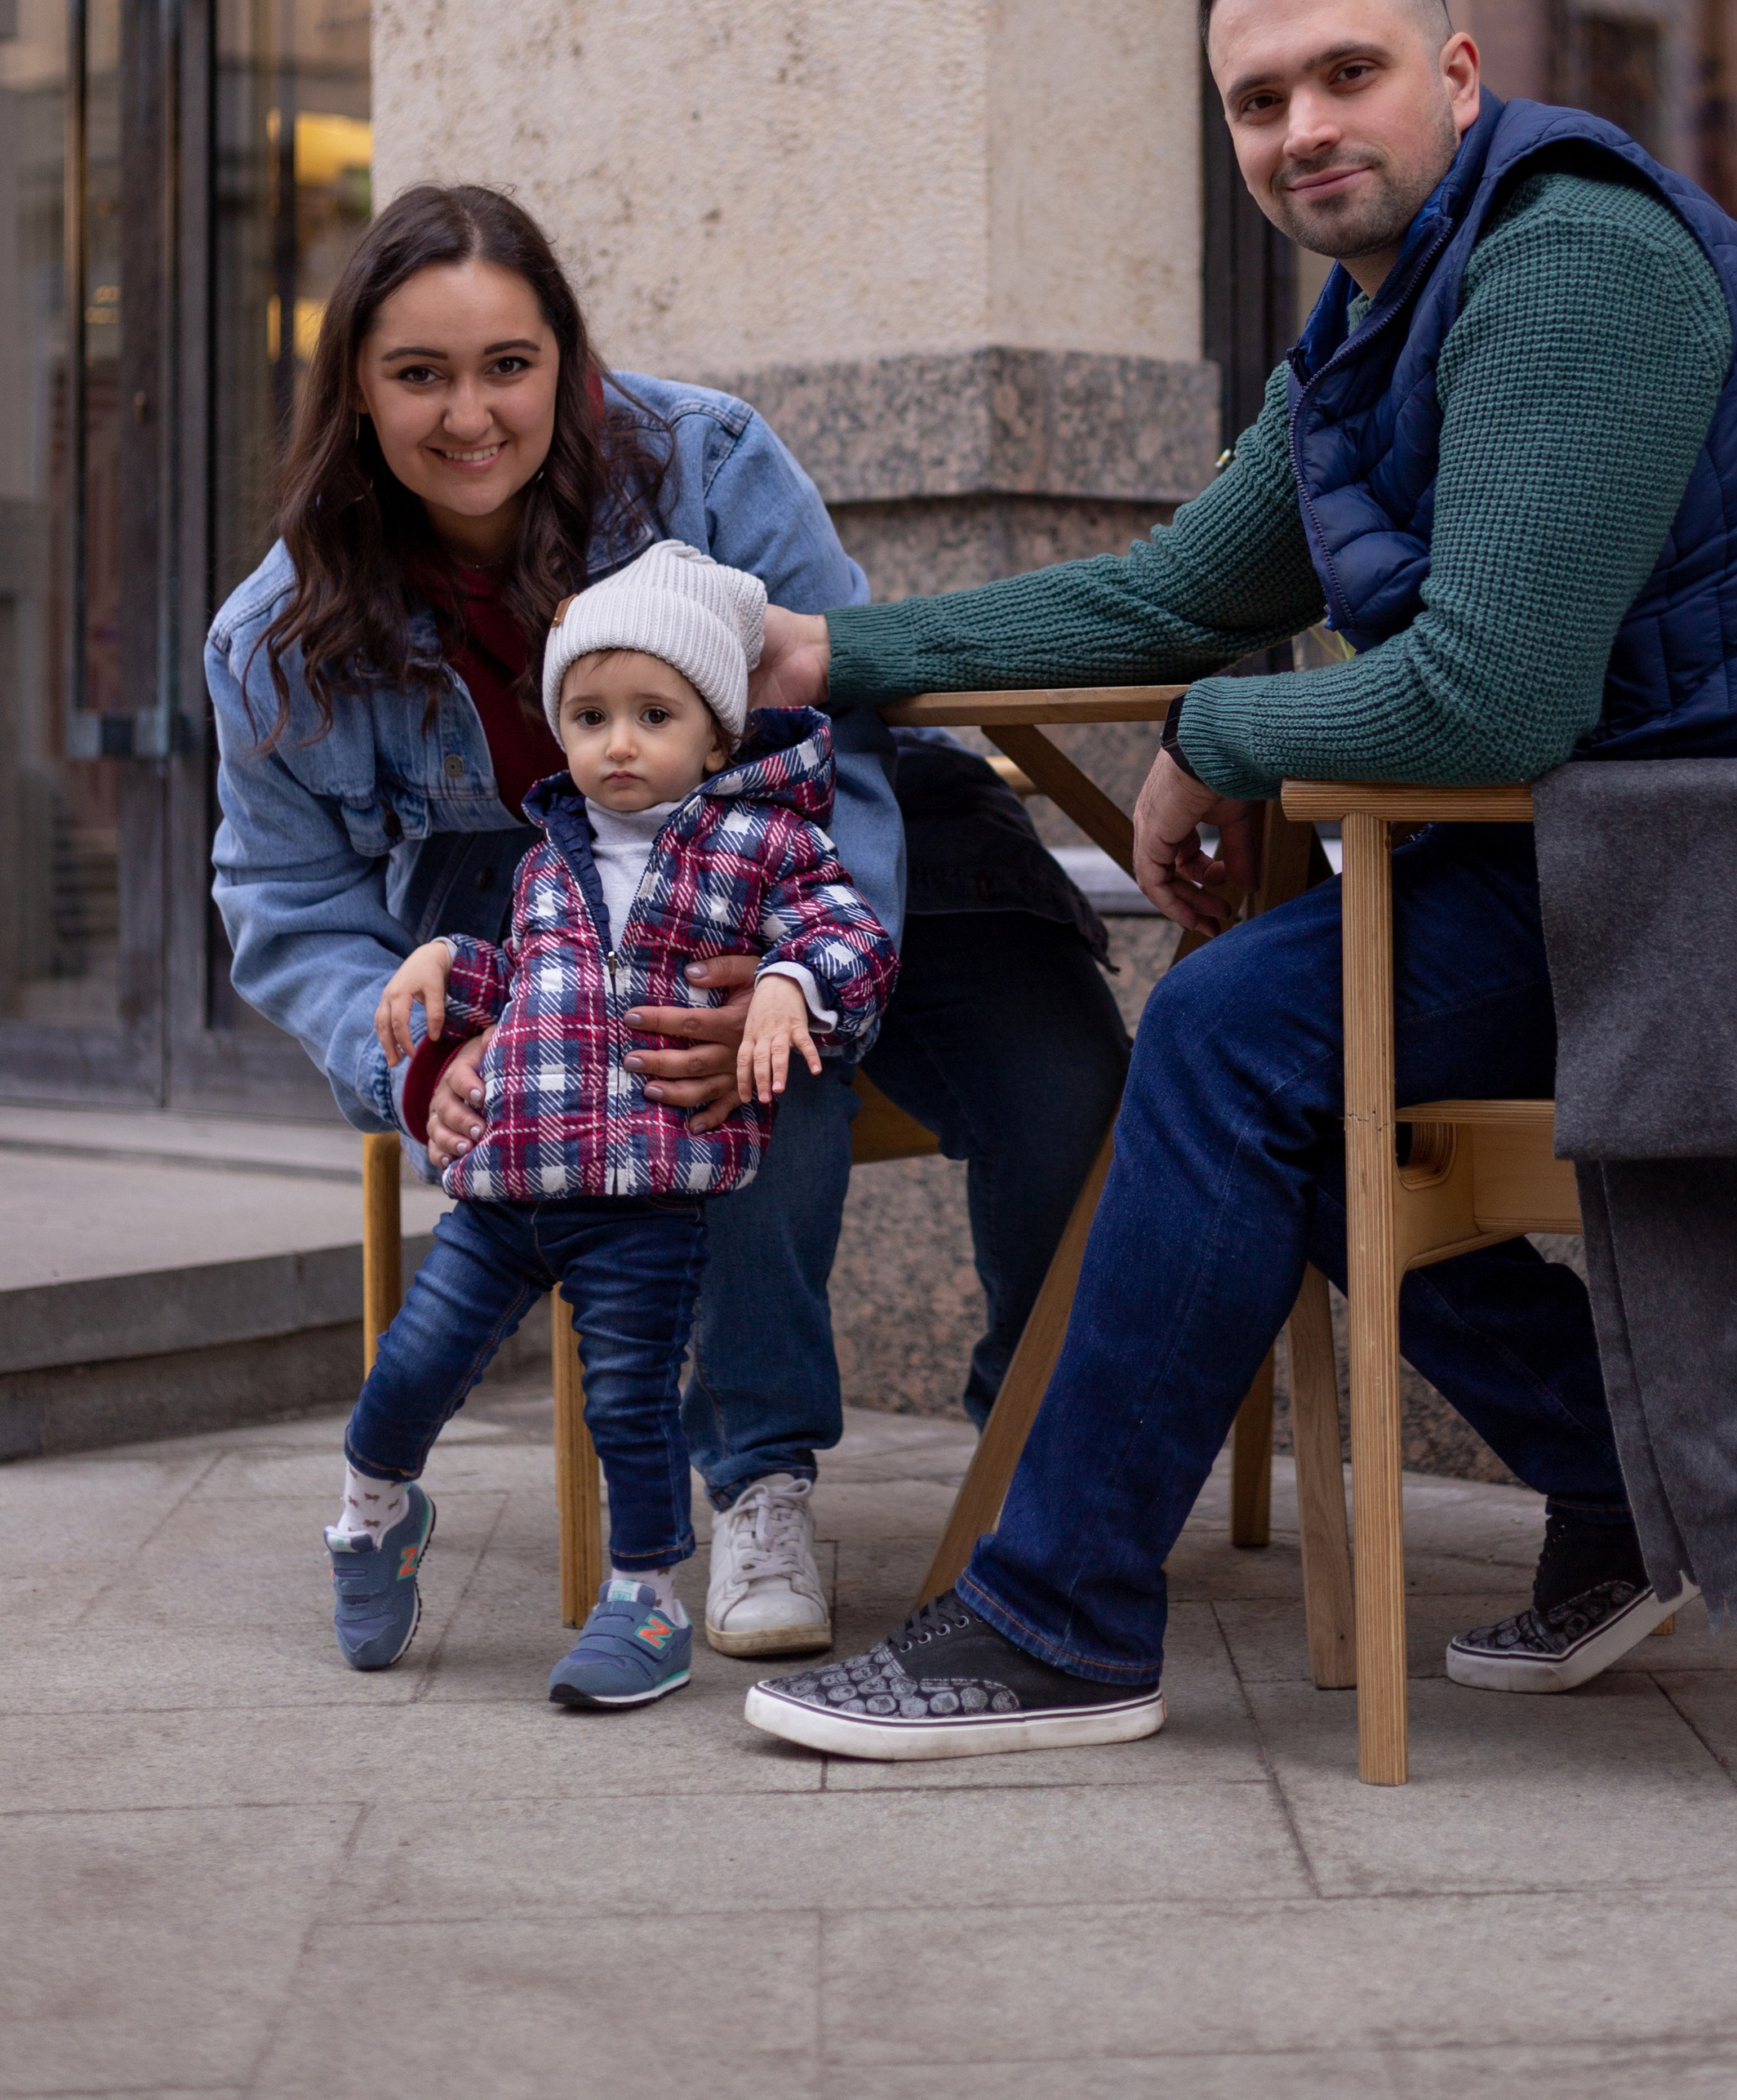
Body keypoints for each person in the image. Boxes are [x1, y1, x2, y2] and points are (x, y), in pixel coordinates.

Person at [737, 0, 1737, 1764]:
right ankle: (1621, 1480)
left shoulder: (1567, 264)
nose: (1303, 126)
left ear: (1455, 77)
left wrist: (1222, 736)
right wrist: (830, 649)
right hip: (1645, 850)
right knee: (1281, 1048)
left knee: (1238, 1035)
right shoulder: (1368, 325)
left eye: (1347, 72)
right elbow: (1177, 591)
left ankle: (1059, 1620)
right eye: (1257, 101)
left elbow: (1486, 696)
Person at [207, 182, 1121, 1665]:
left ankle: (1038, 1438)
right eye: (418, 375)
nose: (470, 416)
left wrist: (807, 978)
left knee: (1069, 1084)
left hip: (837, 842)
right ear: (354, 393)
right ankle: (758, 1477)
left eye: (508, 364)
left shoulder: (706, 464)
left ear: (565, 359)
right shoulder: (277, 635)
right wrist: (417, 1060)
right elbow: (284, 895)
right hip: (544, 915)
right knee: (729, 1085)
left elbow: (848, 740)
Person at [334, 541, 896, 1704]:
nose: (619, 743)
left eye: (653, 714)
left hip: (643, 1193)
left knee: (629, 1409)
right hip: (507, 1188)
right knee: (410, 1369)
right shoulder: (554, 857)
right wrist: (450, 963)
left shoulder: (768, 841)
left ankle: (644, 1604)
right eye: (589, 718)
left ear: (720, 735)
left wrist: (792, 984)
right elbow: (536, 979)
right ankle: (374, 1515)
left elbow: (853, 938)